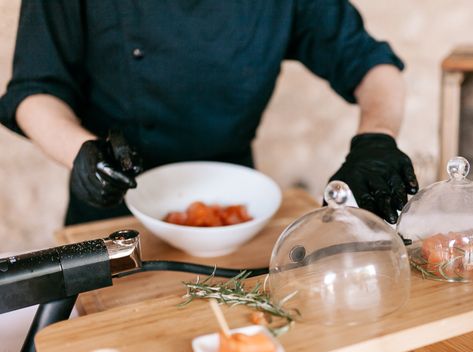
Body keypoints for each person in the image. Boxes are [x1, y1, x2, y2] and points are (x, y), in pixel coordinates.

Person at [0, 0, 418, 226]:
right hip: (111, 207)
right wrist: (83, 154)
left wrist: (376, 138)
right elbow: (35, 90)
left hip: (234, 213)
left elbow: (371, 64)